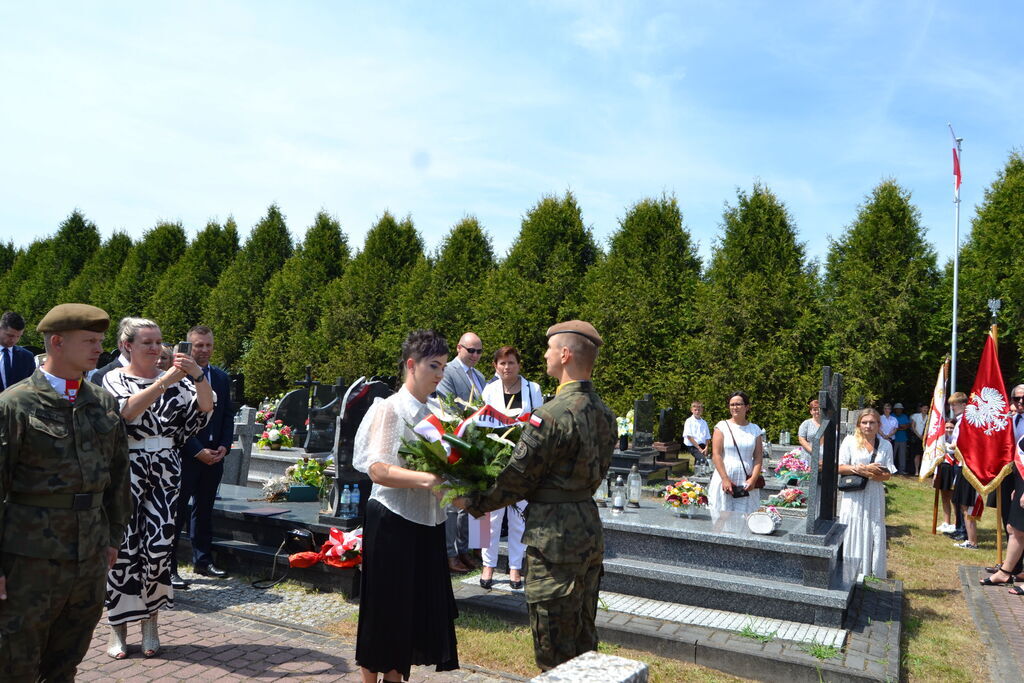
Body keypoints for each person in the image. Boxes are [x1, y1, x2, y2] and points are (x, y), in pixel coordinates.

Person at [458, 320, 616, 671]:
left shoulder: (550, 415)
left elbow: (517, 478)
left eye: (549, 349)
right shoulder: (605, 413)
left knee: (553, 647)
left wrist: (472, 503)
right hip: (588, 527)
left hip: (554, 537)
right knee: (584, 636)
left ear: (564, 354)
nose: (544, 355)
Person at [0, 303, 131, 681]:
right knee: (15, 660)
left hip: (88, 554)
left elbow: (118, 475)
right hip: (29, 558)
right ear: (57, 343)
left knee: (67, 659)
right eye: (89, 341)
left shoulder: (101, 402)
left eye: (100, 341)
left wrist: (112, 537)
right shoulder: (16, 404)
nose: (98, 349)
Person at [103, 318, 214, 659]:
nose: (155, 348)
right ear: (128, 346)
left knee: (158, 548)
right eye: (147, 342)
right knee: (123, 550)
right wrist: (166, 380)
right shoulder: (114, 378)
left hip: (165, 469)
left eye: (158, 341)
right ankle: (118, 629)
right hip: (128, 470)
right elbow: (126, 413)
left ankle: (151, 622)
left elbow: (205, 409)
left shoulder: (178, 382)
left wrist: (196, 376)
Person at [352, 329, 458, 682]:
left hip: (427, 522)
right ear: (411, 365)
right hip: (392, 521)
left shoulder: (435, 414)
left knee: (411, 613)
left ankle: (395, 679)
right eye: (434, 366)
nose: (440, 375)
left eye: (443, 367)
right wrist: (426, 479)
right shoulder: (390, 409)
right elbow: (378, 469)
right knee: (385, 611)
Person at [171, 326, 235, 589]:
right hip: (187, 455)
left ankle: (203, 560)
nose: (204, 350)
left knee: (204, 510)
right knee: (176, 514)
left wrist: (224, 446)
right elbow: (175, 421)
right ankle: (170, 568)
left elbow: (227, 415)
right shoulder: (175, 377)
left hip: (214, 456)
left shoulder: (220, 377)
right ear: (188, 346)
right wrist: (197, 450)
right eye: (199, 345)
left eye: (208, 345)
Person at [479, 345, 544, 590]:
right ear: (495, 366)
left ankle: (515, 567)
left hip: (523, 462)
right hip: (494, 460)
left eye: (512, 363)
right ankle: (487, 564)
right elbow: (481, 424)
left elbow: (539, 422)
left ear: (519, 365)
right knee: (489, 517)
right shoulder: (489, 390)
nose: (507, 368)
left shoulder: (532, 389)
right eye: (502, 363)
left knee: (518, 517)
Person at [436, 331, 486, 574]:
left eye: (479, 351)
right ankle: (450, 553)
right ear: (459, 348)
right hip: (455, 442)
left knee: (467, 503)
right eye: (471, 350)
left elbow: (485, 409)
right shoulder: (448, 372)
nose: (475, 356)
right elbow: (447, 407)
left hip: (474, 446)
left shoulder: (480, 376)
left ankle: (464, 550)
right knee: (452, 504)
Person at [837, 408, 896, 579]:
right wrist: (861, 469)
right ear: (858, 424)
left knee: (873, 527)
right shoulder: (849, 441)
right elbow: (839, 467)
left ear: (879, 425)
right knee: (853, 526)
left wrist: (871, 474)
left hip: (874, 492)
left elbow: (888, 474)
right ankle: (849, 570)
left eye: (872, 422)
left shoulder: (885, 445)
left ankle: (871, 571)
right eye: (864, 422)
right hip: (853, 494)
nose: (868, 426)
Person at [982, 383, 1024, 588]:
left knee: (1018, 527)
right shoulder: (1011, 419)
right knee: (1009, 522)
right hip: (1010, 475)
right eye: (1017, 399)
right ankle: (1012, 566)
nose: (1020, 402)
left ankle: (1011, 569)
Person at [708, 391, 764, 515]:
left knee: (746, 517)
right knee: (722, 517)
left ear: (747, 407)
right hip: (725, 477)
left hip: (746, 480)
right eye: (732, 404)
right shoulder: (721, 427)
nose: (735, 407)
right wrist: (725, 478)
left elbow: (758, 456)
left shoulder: (755, 429)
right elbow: (716, 455)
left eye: (738, 404)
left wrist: (753, 479)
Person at [0, 311, 35, 391]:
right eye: (10, 335)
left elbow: (32, 386)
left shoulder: (27, 356)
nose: (14, 340)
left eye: (18, 336)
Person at [933, 421, 957, 533]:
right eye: (946, 427)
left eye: (951, 427)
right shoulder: (941, 438)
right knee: (944, 496)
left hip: (953, 468)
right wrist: (935, 473)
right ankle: (946, 521)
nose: (948, 430)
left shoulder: (957, 438)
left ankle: (956, 523)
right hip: (942, 468)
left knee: (953, 498)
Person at [682, 400, 711, 466]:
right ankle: (703, 473)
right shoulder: (689, 421)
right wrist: (699, 449)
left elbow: (707, 437)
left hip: (702, 445)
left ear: (701, 410)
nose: (697, 412)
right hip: (692, 445)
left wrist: (706, 448)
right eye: (695, 410)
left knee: (703, 461)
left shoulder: (704, 422)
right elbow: (689, 437)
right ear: (692, 410)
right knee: (703, 461)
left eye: (699, 410)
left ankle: (697, 473)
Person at [892, 403, 911, 474]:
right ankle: (891, 469)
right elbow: (895, 427)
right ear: (895, 409)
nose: (899, 410)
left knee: (902, 455)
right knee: (892, 455)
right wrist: (900, 427)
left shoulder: (904, 416)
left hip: (903, 438)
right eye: (898, 409)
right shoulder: (892, 416)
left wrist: (899, 427)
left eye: (900, 409)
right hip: (894, 439)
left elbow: (907, 425)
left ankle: (901, 470)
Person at [909, 402, 927, 476]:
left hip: (925, 438)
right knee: (917, 454)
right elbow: (913, 427)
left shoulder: (929, 417)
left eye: (927, 408)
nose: (925, 409)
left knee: (924, 455)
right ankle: (916, 470)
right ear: (921, 408)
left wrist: (924, 436)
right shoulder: (915, 416)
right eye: (924, 408)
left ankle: (923, 470)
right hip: (917, 437)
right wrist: (919, 435)